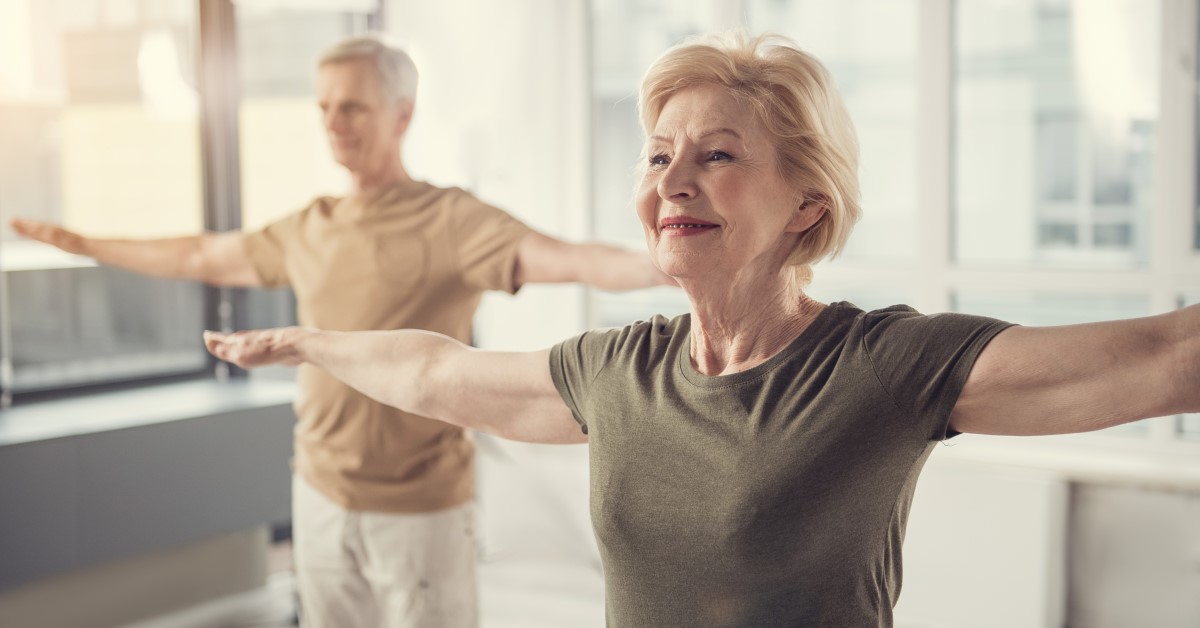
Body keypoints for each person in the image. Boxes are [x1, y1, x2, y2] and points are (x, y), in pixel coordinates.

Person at [202, 32, 1200, 627]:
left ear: (807, 203)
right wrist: (308, 341)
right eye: (656, 155)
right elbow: (437, 374)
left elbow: (1168, 355)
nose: (672, 181)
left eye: (717, 156)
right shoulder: (619, 369)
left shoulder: (881, 365)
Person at [11, 34, 672, 628]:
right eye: (324, 107)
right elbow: (199, 255)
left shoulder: (450, 219)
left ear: (401, 115)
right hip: (319, 491)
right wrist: (80, 241)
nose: (333, 123)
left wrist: (672, 262)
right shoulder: (311, 225)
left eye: (352, 107)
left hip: (420, 508)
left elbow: (574, 257)